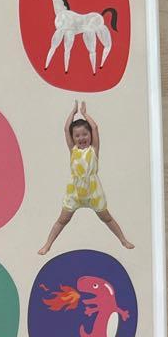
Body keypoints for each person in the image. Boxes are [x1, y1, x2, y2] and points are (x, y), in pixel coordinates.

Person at [38, 101, 134, 255]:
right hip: (74, 192)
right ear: (73, 138)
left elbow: (95, 127)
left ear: (90, 135)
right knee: (62, 220)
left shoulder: (93, 149)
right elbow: (66, 129)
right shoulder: (73, 150)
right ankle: (47, 244)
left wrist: (84, 114)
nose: (81, 137)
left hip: (93, 192)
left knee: (107, 218)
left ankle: (123, 240)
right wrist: (73, 112)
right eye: (77, 135)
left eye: (85, 134)